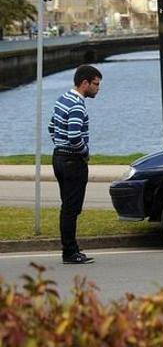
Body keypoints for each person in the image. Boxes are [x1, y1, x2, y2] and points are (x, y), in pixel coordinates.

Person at [49, 65, 102, 264]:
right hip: (73, 162)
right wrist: (85, 152)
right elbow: (74, 137)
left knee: (67, 207)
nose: (98, 88)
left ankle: (70, 250)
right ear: (85, 83)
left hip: (59, 158)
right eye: (96, 84)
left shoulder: (62, 99)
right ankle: (70, 252)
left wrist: (59, 146)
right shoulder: (78, 106)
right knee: (72, 209)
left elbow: (51, 127)